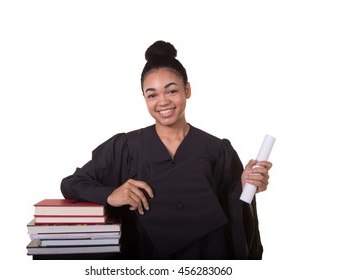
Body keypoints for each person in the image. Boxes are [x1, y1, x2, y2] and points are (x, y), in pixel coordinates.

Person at [61, 40, 272, 260]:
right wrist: (111, 195)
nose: (163, 101)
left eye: (171, 91)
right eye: (152, 95)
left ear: (187, 90)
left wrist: (245, 185)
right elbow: (71, 184)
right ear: (144, 98)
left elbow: (235, 214)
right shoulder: (125, 147)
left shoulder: (217, 150)